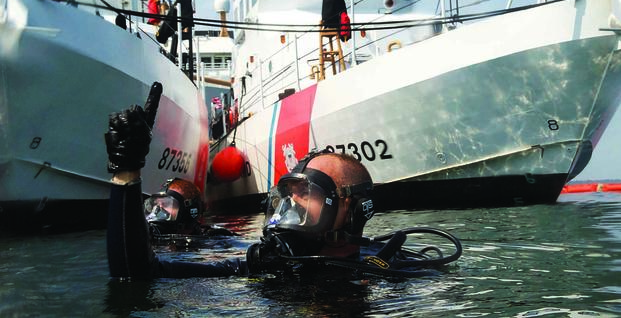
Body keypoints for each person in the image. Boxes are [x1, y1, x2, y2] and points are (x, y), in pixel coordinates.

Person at [106, 82, 462, 280]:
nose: (290, 205)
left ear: (353, 211)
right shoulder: (264, 266)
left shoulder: (394, 268)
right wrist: (126, 173)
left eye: (305, 194)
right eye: (287, 194)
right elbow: (137, 273)